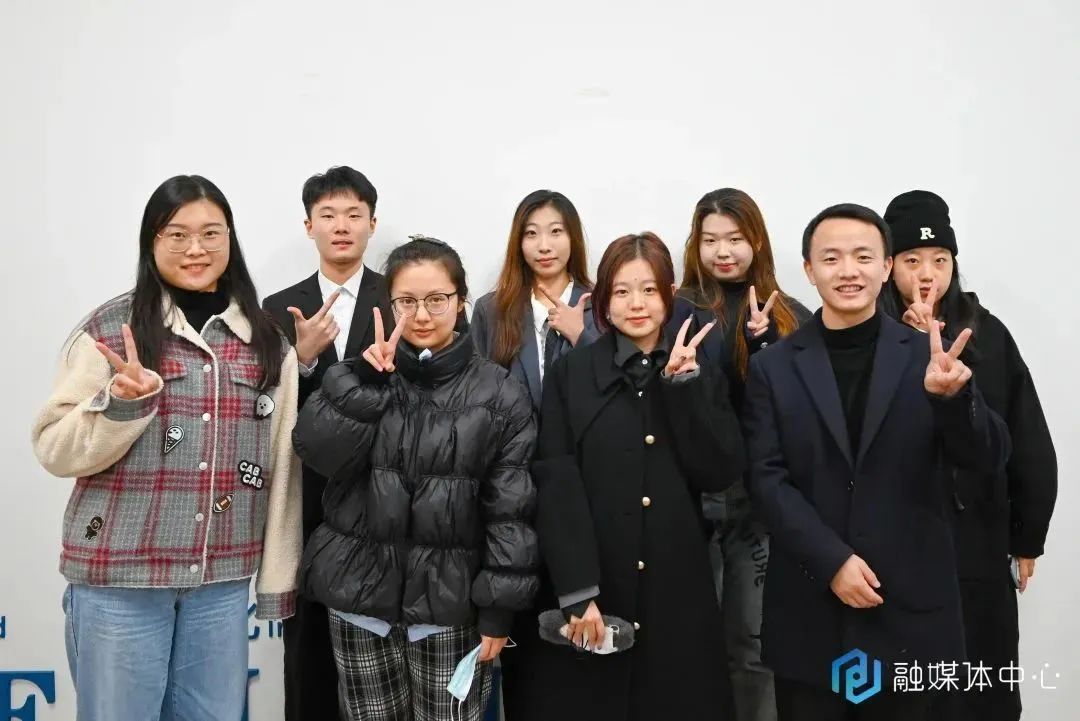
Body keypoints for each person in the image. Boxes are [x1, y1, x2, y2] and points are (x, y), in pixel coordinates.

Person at [31, 175, 301, 721]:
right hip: (121, 580)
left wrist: (275, 579)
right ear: (151, 242)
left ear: (230, 239)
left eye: (211, 233)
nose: (195, 248)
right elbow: (54, 447)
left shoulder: (267, 342)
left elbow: (282, 469)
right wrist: (120, 406)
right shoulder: (112, 330)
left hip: (220, 584)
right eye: (176, 234)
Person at [742, 203, 1011, 721]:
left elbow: (989, 458)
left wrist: (955, 401)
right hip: (811, 618)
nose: (849, 271)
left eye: (863, 257)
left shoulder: (930, 356)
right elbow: (766, 479)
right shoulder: (774, 367)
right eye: (832, 258)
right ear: (809, 270)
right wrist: (831, 561)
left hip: (910, 618)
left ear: (886, 267)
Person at [292, 237, 539, 721]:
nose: (422, 315)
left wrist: (497, 609)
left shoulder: (500, 392)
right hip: (360, 602)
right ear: (391, 305)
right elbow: (317, 454)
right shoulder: (356, 375)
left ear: (461, 301)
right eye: (407, 301)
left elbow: (510, 510)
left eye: (436, 299)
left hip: (450, 612)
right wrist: (368, 386)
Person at [519, 232, 745, 721]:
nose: (636, 304)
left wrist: (685, 387)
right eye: (621, 291)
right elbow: (557, 480)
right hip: (597, 585)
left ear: (670, 294)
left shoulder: (699, 369)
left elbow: (719, 472)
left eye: (649, 290)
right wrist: (578, 591)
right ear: (603, 299)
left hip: (678, 589)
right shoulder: (573, 373)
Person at [880, 190, 1056, 721]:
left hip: (975, 538)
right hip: (893, 543)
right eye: (912, 261)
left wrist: (1027, 536)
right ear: (889, 266)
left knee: (982, 687)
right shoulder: (867, 333)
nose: (926, 275)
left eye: (940, 260)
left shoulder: (987, 333)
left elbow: (1028, 436)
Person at [668, 188, 812, 721]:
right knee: (688, 637)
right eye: (710, 240)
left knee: (754, 638)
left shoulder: (789, 312)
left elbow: (798, 412)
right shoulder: (677, 307)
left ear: (757, 241)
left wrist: (766, 345)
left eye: (735, 239)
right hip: (688, 497)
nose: (723, 252)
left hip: (760, 503)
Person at [262, 165, 391, 721]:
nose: (342, 226)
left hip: (386, 497)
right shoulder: (277, 307)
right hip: (308, 500)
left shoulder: (399, 296)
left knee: (383, 661)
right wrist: (304, 359)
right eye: (329, 215)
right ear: (308, 225)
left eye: (354, 215)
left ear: (372, 224)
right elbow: (265, 406)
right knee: (309, 657)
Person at [472, 189, 599, 410]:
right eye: (531, 233)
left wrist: (579, 336)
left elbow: (613, 385)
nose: (544, 246)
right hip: (511, 432)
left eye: (556, 231)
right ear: (518, 242)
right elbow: (475, 392)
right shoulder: (491, 310)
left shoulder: (601, 305)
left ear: (573, 237)